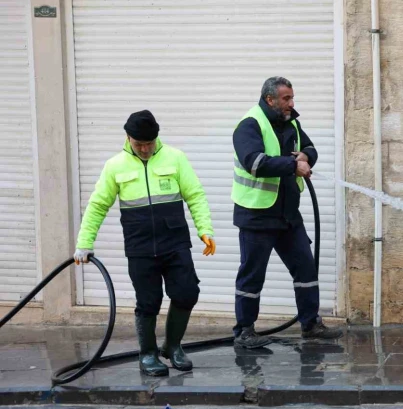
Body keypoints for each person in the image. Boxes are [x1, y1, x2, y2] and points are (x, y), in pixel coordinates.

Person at [73, 110, 216, 376]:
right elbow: (97, 206)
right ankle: (148, 354)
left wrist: (204, 230)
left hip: (175, 243)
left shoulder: (175, 158)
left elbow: (195, 195)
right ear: (128, 138)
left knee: (187, 293)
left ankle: (173, 347)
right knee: (148, 302)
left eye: (149, 143)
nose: (145, 149)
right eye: (139, 144)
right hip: (140, 247)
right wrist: (85, 242)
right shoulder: (115, 166)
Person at [231, 76, 343, 348]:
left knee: (305, 267)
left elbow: (310, 147)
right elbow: (254, 163)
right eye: (286, 99)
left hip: (288, 215)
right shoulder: (249, 125)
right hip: (257, 214)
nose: (291, 104)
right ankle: (245, 330)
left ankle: (310, 324)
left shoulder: (291, 121)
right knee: (252, 273)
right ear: (270, 99)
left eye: (292, 98)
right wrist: (293, 167)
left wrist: (305, 157)